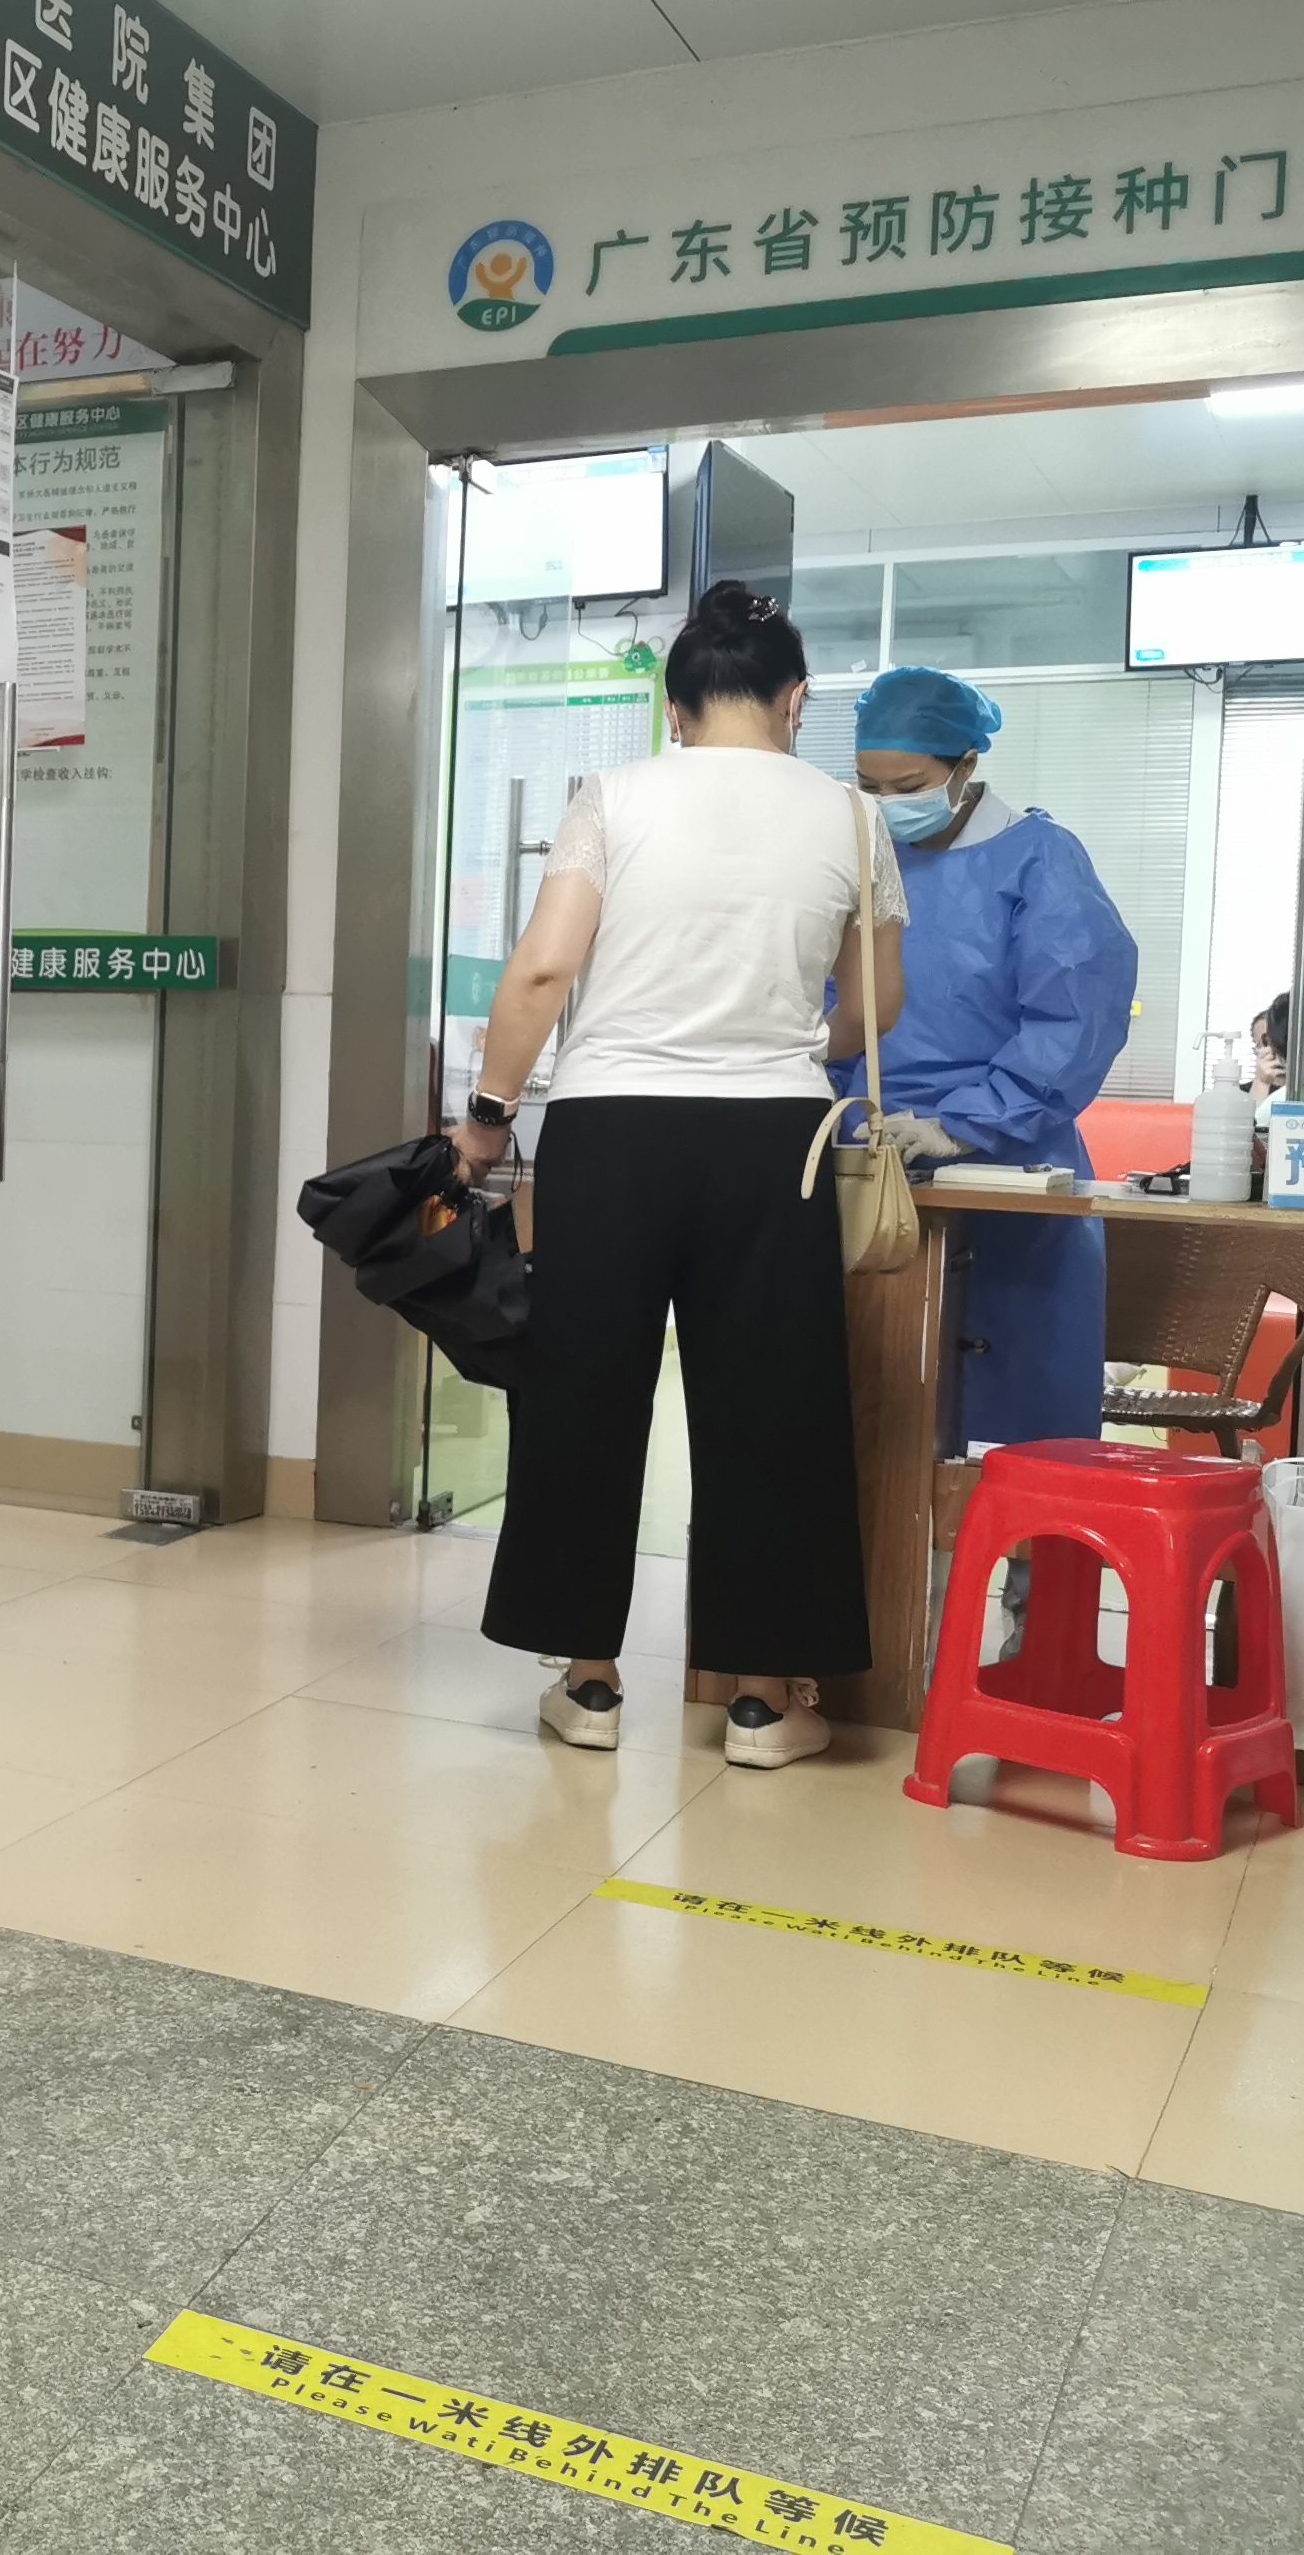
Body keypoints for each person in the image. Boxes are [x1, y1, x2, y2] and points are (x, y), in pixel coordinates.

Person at [458, 581, 904, 1770]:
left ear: (675, 705)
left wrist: (490, 1114)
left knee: (586, 1393)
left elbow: (543, 971)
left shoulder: (613, 798)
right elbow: (875, 1005)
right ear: (796, 700)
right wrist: (782, 1030)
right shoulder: (853, 817)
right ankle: (762, 1701)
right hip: (774, 1144)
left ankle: (588, 1683)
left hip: (610, 1132)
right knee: (774, 1409)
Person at [838, 666, 1139, 1449]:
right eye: (868, 786)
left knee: (1015, 1427)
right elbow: (823, 1011)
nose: (885, 804)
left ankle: (1017, 1541)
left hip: (1011, 1172)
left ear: (966, 766)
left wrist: (961, 1125)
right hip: (866, 1166)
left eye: (907, 786)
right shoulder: (855, 861)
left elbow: (1074, 1018)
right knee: (875, 1423)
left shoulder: (1039, 860)